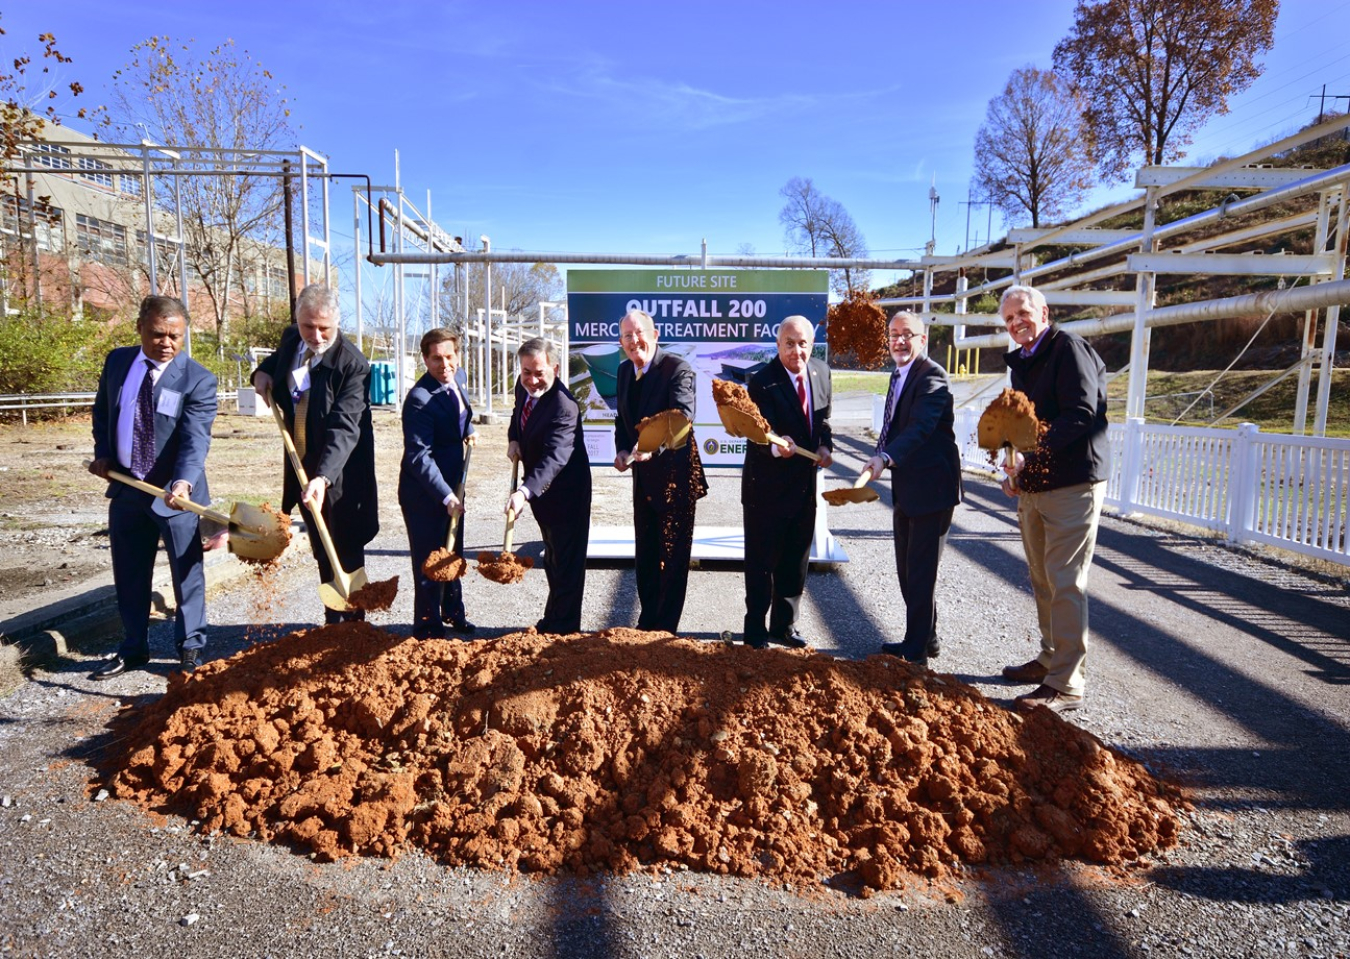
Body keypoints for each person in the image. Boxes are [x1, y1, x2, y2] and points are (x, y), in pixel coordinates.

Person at [87, 296, 217, 679]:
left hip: (175, 495)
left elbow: (196, 440)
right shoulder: (118, 362)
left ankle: (190, 649)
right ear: (140, 328)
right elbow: (103, 411)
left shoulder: (198, 378)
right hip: (127, 486)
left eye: (175, 336)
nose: (167, 343)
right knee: (129, 571)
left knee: (186, 572)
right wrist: (104, 454)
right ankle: (133, 648)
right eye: (158, 334)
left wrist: (183, 483)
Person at [998, 284, 1110, 714]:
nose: (1016, 323)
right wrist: (1013, 467)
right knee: (1042, 577)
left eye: (1023, 313)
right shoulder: (1022, 363)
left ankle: (1066, 682)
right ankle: (1050, 657)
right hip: (1037, 484)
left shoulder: (1069, 350)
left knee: (1066, 580)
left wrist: (1031, 456)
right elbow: (1017, 420)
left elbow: (1081, 413)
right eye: (1009, 319)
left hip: (1072, 483)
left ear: (1044, 311)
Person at [252, 283, 377, 625]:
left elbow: (345, 426)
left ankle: (354, 625)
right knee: (321, 544)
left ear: (337, 322)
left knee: (345, 542)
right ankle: (331, 617)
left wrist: (323, 477)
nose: (317, 335)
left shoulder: (353, 365)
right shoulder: (292, 338)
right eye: (309, 326)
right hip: (301, 459)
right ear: (298, 320)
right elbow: (276, 362)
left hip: (341, 470)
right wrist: (260, 372)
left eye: (325, 328)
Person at [863, 310, 963, 668]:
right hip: (908, 486)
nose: (900, 341)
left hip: (932, 488)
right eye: (893, 334)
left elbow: (920, 428)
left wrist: (887, 457)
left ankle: (916, 653)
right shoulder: (899, 374)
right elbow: (892, 424)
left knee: (920, 572)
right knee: (908, 570)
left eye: (908, 334)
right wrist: (879, 454)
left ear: (923, 339)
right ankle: (926, 637)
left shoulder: (932, 375)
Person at [740, 315, 834, 649]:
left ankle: (784, 625)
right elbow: (755, 434)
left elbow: (823, 423)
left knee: (795, 562)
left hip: (805, 489)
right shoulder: (761, 382)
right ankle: (755, 630)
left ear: (812, 344)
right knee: (762, 562)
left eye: (803, 343)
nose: (796, 350)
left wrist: (824, 446)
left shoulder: (822, 373)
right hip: (766, 488)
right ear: (778, 345)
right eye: (789, 343)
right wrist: (778, 447)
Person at [613, 308, 708, 633]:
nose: (634, 340)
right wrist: (623, 449)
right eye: (627, 335)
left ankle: (665, 630)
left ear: (654, 335)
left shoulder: (676, 369)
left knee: (673, 557)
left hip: (676, 478)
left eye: (639, 332)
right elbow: (621, 420)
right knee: (647, 554)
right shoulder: (625, 371)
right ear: (621, 342)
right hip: (643, 479)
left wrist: (651, 446)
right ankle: (647, 620)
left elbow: (681, 417)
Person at [506, 337, 592, 634]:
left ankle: (564, 630)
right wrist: (514, 438)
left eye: (539, 372)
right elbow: (519, 414)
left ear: (554, 368)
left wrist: (524, 491)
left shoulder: (564, 406)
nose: (532, 379)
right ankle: (554, 618)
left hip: (567, 493)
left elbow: (556, 457)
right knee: (554, 559)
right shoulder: (523, 386)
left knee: (567, 564)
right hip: (543, 495)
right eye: (526, 371)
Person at [398, 328, 477, 638]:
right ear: (425, 359)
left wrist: (467, 428)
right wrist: (446, 496)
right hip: (425, 493)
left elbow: (460, 411)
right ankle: (427, 627)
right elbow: (419, 456)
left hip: (453, 484)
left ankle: (453, 612)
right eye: (436, 359)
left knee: (452, 551)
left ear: (457, 355)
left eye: (449, 356)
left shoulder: (458, 379)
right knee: (430, 561)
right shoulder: (419, 400)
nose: (444, 364)